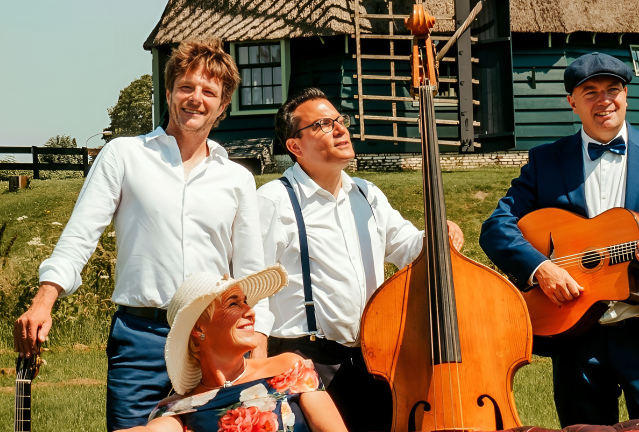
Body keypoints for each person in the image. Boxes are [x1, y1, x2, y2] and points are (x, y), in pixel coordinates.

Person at [13, 39, 273, 431]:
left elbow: (252, 271)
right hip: (140, 339)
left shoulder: (237, 179)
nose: (195, 98)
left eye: (209, 92)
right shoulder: (124, 155)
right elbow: (81, 234)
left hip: (214, 338)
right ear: (169, 92)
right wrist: (44, 299)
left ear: (222, 107)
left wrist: (256, 348)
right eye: (186, 86)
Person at [479, 52, 639, 427]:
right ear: (572, 102)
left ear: (626, 95)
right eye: (590, 92)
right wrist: (541, 268)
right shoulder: (545, 161)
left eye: (613, 89)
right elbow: (496, 227)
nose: (604, 100)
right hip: (574, 335)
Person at [257, 87, 464, 431]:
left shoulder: (367, 194)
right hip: (306, 359)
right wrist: (258, 365)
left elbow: (409, 248)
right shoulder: (274, 201)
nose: (340, 129)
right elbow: (256, 291)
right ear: (295, 146)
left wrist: (441, 236)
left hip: (372, 358)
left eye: (340, 120)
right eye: (323, 124)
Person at [117, 266, 347, 432]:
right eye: (233, 303)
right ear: (198, 328)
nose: (250, 311)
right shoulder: (179, 409)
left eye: (246, 301)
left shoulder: (289, 369)